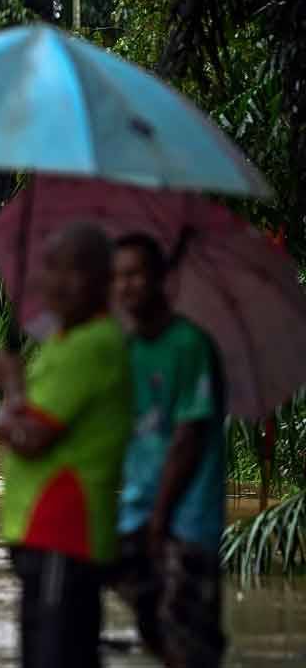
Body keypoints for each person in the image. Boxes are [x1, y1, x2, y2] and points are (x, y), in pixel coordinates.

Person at [0, 222, 133, 668]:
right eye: (50, 268)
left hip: (62, 530)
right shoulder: (65, 342)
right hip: (49, 531)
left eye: (71, 271)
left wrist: (10, 393)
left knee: (53, 656)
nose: (55, 282)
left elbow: (30, 437)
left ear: (101, 281)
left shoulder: (88, 347)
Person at [112, 233, 227, 667]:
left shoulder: (191, 345)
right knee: (155, 631)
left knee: (189, 638)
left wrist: (160, 518)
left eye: (137, 274)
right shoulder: (129, 350)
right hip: (139, 517)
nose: (127, 285)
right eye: (120, 276)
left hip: (185, 521)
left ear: (161, 279)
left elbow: (189, 437)